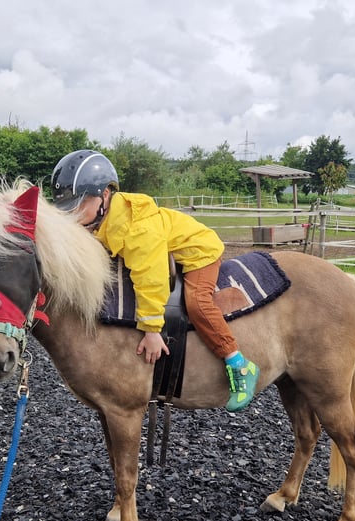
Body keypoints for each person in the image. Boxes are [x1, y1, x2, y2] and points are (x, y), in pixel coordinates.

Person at [50, 149, 258, 412]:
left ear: (104, 195)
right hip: (170, 247)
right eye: (67, 209)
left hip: (199, 253)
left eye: (79, 205)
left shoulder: (138, 231)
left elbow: (153, 278)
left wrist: (151, 330)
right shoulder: (103, 220)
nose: (73, 215)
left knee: (198, 303)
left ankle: (237, 363)